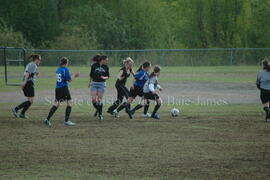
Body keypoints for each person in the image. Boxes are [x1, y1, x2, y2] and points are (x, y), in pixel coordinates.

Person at [44, 57, 80, 126]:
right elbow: (69, 80)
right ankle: (66, 121)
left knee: (56, 104)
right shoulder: (65, 69)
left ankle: (47, 119)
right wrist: (75, 75)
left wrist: (70, 75)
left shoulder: (58, 69)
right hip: (64, 88)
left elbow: (64, 78)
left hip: (57, 88)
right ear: (66, 63)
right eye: (67, 63)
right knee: (69, 103)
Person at [12, 54, 41, 119]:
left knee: (29, 101)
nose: (40, 61)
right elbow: (27, 74)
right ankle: (16, 109)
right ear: (36, 59)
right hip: (28, 83)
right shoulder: (33, 65)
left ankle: (22, 114)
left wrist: (35, 74)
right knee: (30, 101)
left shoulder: (32, 64)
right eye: (39, 60)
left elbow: (29, 73)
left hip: (28, 83)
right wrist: (24, 83)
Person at [89, 55, 109, 120]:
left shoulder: (106, 67)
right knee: (94, 100)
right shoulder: (94, 65)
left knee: (99, 100)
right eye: (106, 60)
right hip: (94, 83)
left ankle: (100, 114)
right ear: (102, 60)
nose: (107, 61)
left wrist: (104, 77)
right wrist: (90, 82)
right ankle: (98, 109)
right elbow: (91, 75)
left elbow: (108, 76)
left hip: (102, 84)